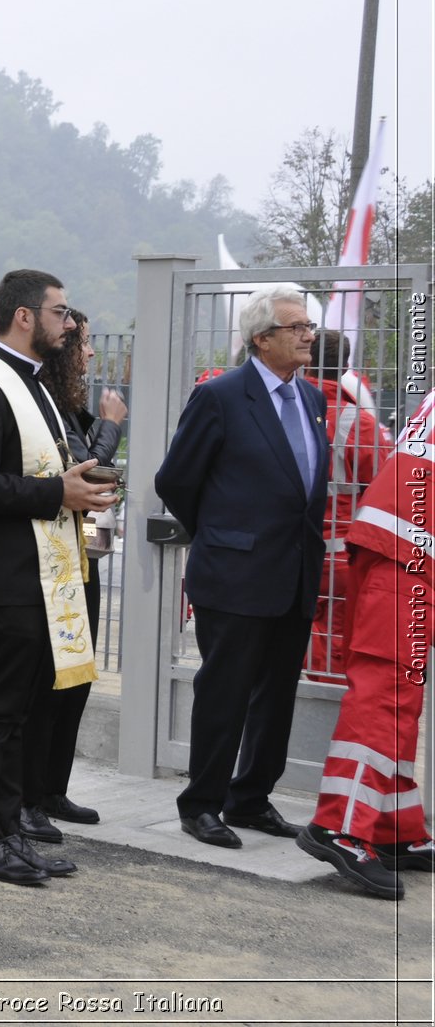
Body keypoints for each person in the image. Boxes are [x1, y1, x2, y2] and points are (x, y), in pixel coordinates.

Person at [0, 269, 115, 886]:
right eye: (61, 313)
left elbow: (49, 472)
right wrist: (57, 493)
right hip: (0, 581)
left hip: (41, 576)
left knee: (18, 716)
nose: (69, 325)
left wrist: (82, 492)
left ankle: (9, 830)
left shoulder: (35, 383)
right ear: (24, 316)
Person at [156, 285, 327, 850]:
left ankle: (250, 798)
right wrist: (223, 534)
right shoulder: (222, 397)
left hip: (294, 572)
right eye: (296, 327)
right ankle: (201, 804)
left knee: (277, 694)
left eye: (308, 326)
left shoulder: (312, 399)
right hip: (233, 574)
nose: (308, 334)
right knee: (225, 692)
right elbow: (175, 479)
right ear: (262, 338)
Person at [297, 389, 435, 899]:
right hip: (405, 555)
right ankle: (340, 828)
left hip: (397, 549)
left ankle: (393, 829)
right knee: (384, 697)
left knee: (399, 697)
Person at [22, 310, 125, 841]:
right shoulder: (51, 406)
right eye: (80, 343)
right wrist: (111, 427)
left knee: (77, 678)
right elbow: (83, 468)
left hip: (82, 556)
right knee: (46, 681)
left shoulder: (72, 404)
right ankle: (28, 795)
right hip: (51, 561)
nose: (87, 354)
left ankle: (53, 789)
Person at [303, 330, 390, 681]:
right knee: (331, 653)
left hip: (282, 552)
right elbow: (382, 491)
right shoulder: (361, 423)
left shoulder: (279, 409)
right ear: (346, 368)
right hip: (338, 556)